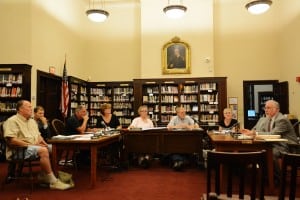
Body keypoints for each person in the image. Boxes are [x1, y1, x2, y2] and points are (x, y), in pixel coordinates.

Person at [3, 100, 72, 190]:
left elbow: (38, 136)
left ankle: (46, 174)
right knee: (43, 150)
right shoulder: (12, 121)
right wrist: (32, 145)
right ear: (20, 109)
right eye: (28, 107)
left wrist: (44, 143)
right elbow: (12, 141)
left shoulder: (32, 122)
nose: (31, 108)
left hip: (34, 147)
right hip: (19, 150)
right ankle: (53, 181)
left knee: (56, 148)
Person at [240, 100, 298, 183]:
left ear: (276, 109)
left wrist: (254, 133)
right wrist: (250, 133)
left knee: (269, 152)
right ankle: (267, 176)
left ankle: (279, 178)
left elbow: (272, 134)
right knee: (261, 151)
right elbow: (262, 132)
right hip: (274, 144)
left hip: (288, 146)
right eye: (265, 108)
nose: (265, 110)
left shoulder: (282, 119)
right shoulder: (268, 119)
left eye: (268, 108)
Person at [167, 106, 198, 171]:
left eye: (184, 112)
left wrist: (187, 126)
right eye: (182, 112)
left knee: (183, 150)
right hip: (176, 140)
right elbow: (169, 127)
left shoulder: (188, 117)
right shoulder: (174, 118)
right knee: (175, 149)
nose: (184, 114)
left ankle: (178, 162)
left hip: (187, 140)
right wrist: (179, 126)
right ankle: (180, 162)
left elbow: (196, 126)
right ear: (177, 113)